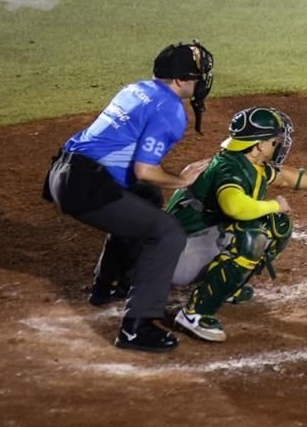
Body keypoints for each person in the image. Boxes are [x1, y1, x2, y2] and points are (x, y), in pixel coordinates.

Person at [43, 40, 214, 352]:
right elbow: (145, 170)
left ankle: (107, 284)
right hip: (84, 185)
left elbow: (140, 178)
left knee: (147, 197)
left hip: (63, 172)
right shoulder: (171, 109)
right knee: (166, 233)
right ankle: (137, 328)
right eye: (196, 76)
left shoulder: (137, 89)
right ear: (179, 80)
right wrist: (181, 180)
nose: (199, 82)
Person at [166, 106, 307, 342]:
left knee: (276, 224)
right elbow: (234, 206)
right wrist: (275, 205)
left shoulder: (245, 160)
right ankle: (194, 315)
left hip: (188, 242)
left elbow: (283, 175)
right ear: (260, 145)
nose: (279, 144)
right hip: (175, 256)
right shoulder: (230, 170)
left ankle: (226, 286)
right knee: (251, 235)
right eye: (275, 140)